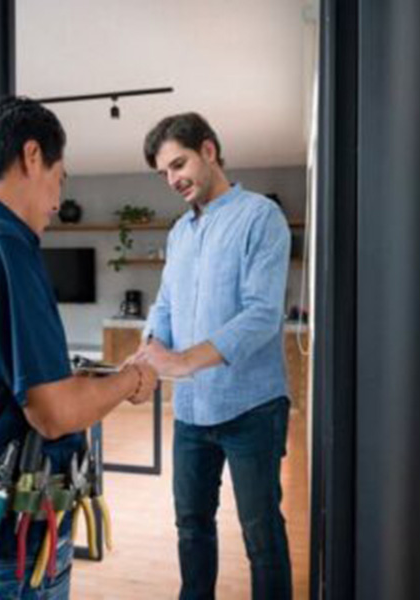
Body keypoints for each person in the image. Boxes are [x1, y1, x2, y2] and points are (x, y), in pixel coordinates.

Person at [0, 96, 158, 600]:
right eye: (59, 177)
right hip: (11, 546)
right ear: (30, 156)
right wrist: (132, 380)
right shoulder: (1, 246)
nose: (56, 200)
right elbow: (54, 414)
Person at [132, 112, 293, 599]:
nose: (173, 179)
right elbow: (165, 305)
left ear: (208, 150)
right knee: (191, 526)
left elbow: (263, 315)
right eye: (164, 173)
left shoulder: (261, 216)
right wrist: (147, 351)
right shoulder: (180, 233)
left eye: (178, 164)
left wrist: (181, 362)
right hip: (191, 412)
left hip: (253, 408)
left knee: (261, 537)